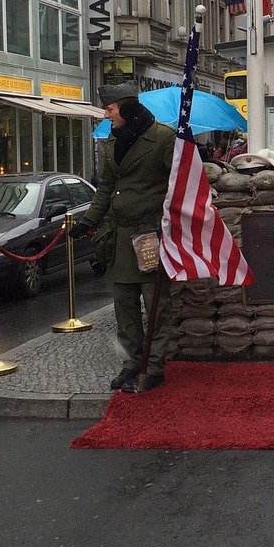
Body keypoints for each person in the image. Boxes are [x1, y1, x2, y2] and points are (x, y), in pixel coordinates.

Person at [70, 83, 177, 393]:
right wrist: (89, 220)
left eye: (111, 109)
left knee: (155, 305)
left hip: (150, 236)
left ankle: (154, 367)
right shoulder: (112, 140)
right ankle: (132, 362)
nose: (107, 115)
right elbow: (106, 186)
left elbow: (178, 186)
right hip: (120, 235)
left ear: (127, 109)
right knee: (124, 305)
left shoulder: (163, 138)